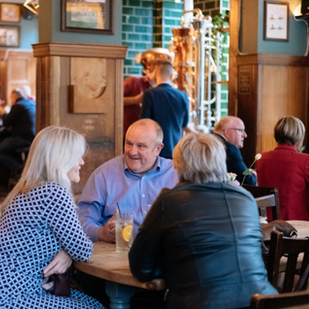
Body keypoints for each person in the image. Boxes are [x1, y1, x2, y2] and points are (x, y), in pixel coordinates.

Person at [129, 132, 277, 309]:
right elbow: (258, 255)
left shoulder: (169, 201)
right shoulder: (246, 198)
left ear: (179, 164)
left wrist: (176, 265)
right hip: (264, 302)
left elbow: (140, 268)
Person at [0, 126, 105, 309]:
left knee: (92, 302)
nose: (82, 162)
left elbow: (74, 245)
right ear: (61, 159)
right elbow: (82, 250)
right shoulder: (53, 193)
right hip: (11, 298)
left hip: (0, 292)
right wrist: (68, 252)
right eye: (77, 156)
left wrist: (67, 252)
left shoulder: (28, 191)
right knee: (95, 307)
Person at [77, 118, 178, 243]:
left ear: (158, 149)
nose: (132, 151)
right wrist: (100, 232)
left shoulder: (177, 173)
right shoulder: (103, 175)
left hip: (169, 253)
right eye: (129, 143)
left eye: (140, 146)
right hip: (118, 255)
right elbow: (81, 220)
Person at [256, 116, 309, 220]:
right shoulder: (304, 160)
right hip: (296, 223)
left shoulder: (261, 158)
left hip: (267, 222)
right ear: (300, 135)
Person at [140, 61, 190, 159]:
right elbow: (185, 123)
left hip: (154, 148)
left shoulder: (149, 94)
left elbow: (143, 122)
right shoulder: (183, 96)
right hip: (175, 148)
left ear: (156, 75)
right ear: (171, 76)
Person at [123, 48, 173, 138]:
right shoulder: (134, 81)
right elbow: (113, 100)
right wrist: (134, 100)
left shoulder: (164, 91)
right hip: (129, 133)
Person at [0, 88, 36, 175]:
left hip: (23, 138)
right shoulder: (32, 103)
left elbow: (6, 122)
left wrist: (3, 113)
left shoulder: (17, 105)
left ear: (13, 98)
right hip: (34, 138)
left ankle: (20, 171)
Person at [213, 115, 257, 185]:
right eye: (241, 130)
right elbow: (249, 181)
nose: (245, 135)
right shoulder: (229, 148)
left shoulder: (205, 143)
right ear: (227, 132)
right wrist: (252, 174)